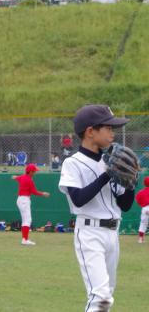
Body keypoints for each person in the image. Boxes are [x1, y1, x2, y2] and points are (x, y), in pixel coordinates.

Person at [58, 104, 135, 311]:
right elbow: (78, 199)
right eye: (108, 128)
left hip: (112, 234)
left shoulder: (110, 160)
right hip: (90, 232)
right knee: (100, 296)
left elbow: (125, 205)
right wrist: (107, 174)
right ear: (90, 132)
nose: (112, 132)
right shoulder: (72, 163)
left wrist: (130, 182)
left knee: (106, 295)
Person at [13, 164, 50, 245]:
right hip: (24, 200)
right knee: (27, 220)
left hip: (21, 200)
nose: (35, 173)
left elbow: (17, 178)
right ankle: (25, 240)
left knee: (25, 220)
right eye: (34, 171)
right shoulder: (29, 180)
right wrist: (43, 193)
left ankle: (24, 239)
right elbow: (35, 192)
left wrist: (15, 177)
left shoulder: (23, 177)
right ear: (30, 172)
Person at [135, 176, 149, 243]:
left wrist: (142, 205)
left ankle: (140, 239)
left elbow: (137, 199)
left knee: (143, 224)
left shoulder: (141, 192)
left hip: (145, 208)